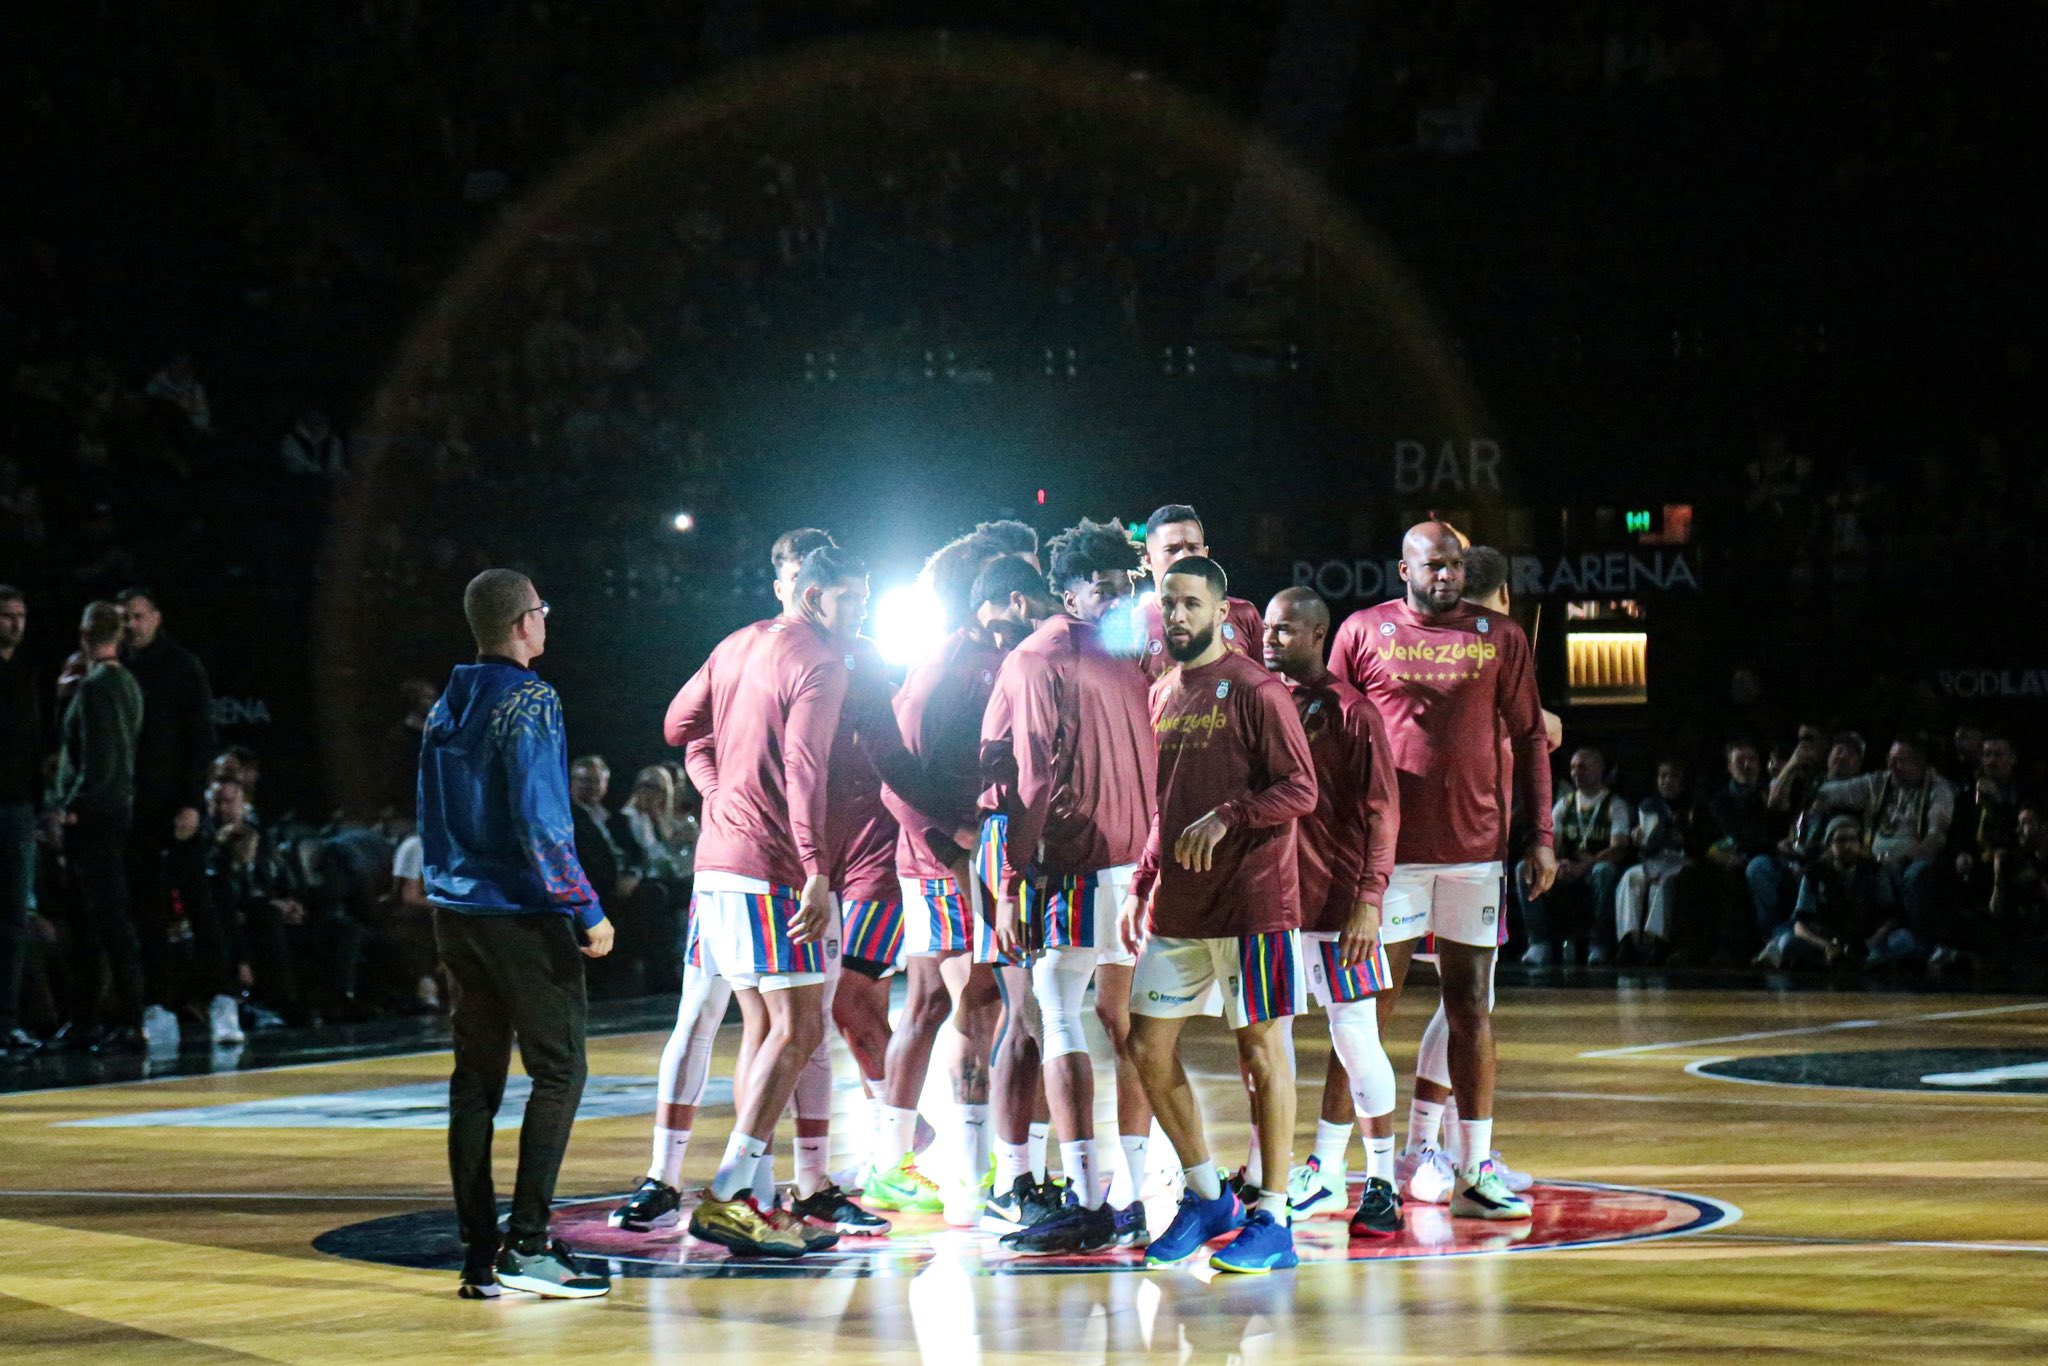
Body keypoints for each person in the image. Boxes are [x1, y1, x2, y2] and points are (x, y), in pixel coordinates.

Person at [1329, 522, 1554, 1221]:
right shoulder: (1362, 631)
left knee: (1471, 1007)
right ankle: (1329, 1165)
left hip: (1477, 855)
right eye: (1434, 565)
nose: (1447, 576)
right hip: (1388, 857)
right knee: (1367, 1012)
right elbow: (1326, 731)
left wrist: (1539, 835)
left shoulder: (1499, 637)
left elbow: (1531, 739)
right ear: (1404, 567)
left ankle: (1475, 1168)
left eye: (1456, 565)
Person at [657, 545, 871, 1257]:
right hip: (771, 867)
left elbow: (678, 727)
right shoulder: (820, 661)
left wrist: (718, 792)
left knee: (764, 1026)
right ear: (814, 597)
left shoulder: (736, 643)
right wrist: (815, 867)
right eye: (852, 599)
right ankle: (723, 1197)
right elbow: (805, 769)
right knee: (798, 1028)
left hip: (716, 863)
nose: (862, 610)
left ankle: (750, 1192)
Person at [418, 569, 614, 1300]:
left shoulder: (449, 702)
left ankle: (478, 1255)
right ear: (522, 623)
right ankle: (528, 1245)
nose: (547, 620)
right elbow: (541, 822)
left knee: (475, 1084)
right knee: (560, 1070)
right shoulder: (530, 698)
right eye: (542, 609)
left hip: (456, 912)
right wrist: (585, 906)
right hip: (520, 915)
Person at [1120, 555, 1317, 1273]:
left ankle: (1273, 1215)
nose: (1176, 616)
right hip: (1179, 903)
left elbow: (1301, 789)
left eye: (1189, 604)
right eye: (1168, 603)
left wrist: (1229, 816)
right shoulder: (1163, 689)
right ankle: (1207, 1196)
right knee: (1144, 1045)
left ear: (1219, 608)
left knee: (1264, 1056)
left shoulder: (1257, 690)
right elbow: (1160, 801)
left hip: (1253, 903)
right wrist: (1145, 878)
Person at [988, 518, 1161, 1254]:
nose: (1119, 598)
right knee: (1127, 1027)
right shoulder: (1136, 654)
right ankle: (1140, 1190)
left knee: (1056, 1016)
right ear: (1067, 589)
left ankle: (1088, 1197)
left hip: (1082, 864)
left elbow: (1028, 780)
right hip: (1141, 864)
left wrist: (1005, 884)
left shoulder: (1038, 658)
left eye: (1126, 587)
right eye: (1107, 587)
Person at [873, 554, 1053, 1226]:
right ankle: (972, 1177)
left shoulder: (1007, 657)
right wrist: (950, 846)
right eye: (1026, 594)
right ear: (997, 597)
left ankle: (898, 1160)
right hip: (943, 861)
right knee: (980, 1003)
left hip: (978, 854)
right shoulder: (945, 667)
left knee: (931, 1004)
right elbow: (892, 775)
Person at [1260, 587, 1404, 1240]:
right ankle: (1296, 1177)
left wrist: (1370, 901)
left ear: (1319, 635)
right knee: (1270, 1043)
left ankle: (1382, 1182)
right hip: (1267, 905)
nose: (1270, 639)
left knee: (1355, 1036)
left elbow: (1383, 811)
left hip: (1334, 903)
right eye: (1266, 627)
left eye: (1285, 630)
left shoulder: (1353, 713)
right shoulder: (1260, 703)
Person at [116, 588, 239, 1047]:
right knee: (147, 908)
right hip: (138, 808)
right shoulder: (119, 671)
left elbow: (200, 738)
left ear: (156, 617)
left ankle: (223, 999)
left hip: (177, 803)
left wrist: (192, 801)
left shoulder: (183, 667)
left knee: (198, 901)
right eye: (125, 617)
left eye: (139, 616)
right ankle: (159, 1005)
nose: (132, 624)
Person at [50, 602, 146, 1053]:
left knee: (100, 918)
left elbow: (99, 762)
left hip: (94, 816)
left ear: (87, 633)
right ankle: (95, 1016)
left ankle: (121, 1017)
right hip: (112, 810)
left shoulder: (99, 686)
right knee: (98, 919)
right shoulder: (124, 684)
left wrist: (73, 806)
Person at [1813, 736, 1955, 967]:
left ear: (1919, 763)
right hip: (1875, 860)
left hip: (1914, 861)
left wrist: (1904, 859)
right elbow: (1829, 791)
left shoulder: (1939, 789)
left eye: (1900, 761)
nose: (1892, 766)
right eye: (1891, 760)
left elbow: (1936, 838)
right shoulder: (1879, 782)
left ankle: (1926, 944)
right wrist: (1818, 797)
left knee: (1915, 875)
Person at [1520, 748, 1633, 966]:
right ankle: (1539, 943)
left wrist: (1585, 865)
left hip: (1595, 868)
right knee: (1524, 869)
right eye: (1572, 767)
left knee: (1605, 871)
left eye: (1582, 767)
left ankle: (1599, 945)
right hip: (1568, 867)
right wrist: (1556, 862)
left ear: (1599, 770)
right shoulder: (1565, 804)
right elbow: (1553, 843)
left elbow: (1619, 848)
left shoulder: (1614, 804)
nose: (1575, 772)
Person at [1135, 505, 1265, 680]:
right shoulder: (1135, 626)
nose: (1184, 557)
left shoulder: (1244, 614)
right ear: (1148, 560)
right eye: (1172, 550)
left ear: (1206, 553)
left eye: (1193, 548)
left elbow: (1266, 686)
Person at [1757, 816, 1897, 969]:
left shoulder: (1874, 871)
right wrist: (1826, 946)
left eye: (1853, 839)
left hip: (1865, 938)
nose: (1848, 845)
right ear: (1830, 844)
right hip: (1826, 938)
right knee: (1788, 944)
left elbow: (1889, 917)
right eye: (1841, 840)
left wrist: (1870, 942)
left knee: (1903, 942)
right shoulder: (1815, 874)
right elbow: (1801, 924)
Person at [0, 586, 45, 1055]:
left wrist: (41, 805)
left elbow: (36, 742)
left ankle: (8, 1020)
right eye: (6, 615)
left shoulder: (29, 673)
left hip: (17, 808)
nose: (14, 624)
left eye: (21, 615)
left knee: (14, 917)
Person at [1614, 760, 1708, 962]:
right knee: (1630, 878)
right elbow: (1645, 844)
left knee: (1662, 884)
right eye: (1663, 776)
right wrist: (1637, 839)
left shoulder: (1694, 807)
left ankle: (1656, 940)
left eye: (1673, 777)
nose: (1667, 781)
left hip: (1679, 862)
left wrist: (1683, 837)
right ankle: (1628, 939)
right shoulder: (1649, 806)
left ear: (1682, 782)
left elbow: (1700, 844)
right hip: (1652, 860)